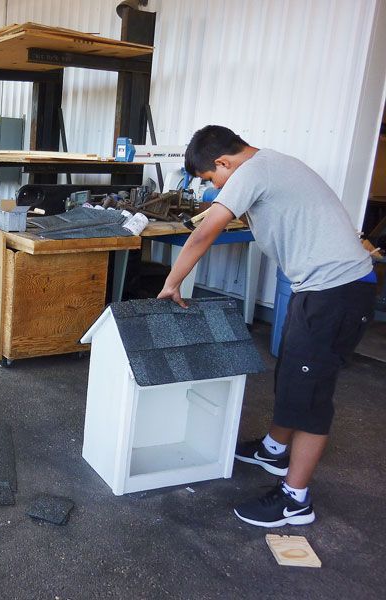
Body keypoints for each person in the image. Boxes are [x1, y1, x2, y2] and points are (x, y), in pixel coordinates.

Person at [158, 125, 376, 528]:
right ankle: (275, 448)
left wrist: (172, 284)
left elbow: (205, 232)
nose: (215, 188)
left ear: (224, 163)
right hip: (319, 288)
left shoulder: (251, 172)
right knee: (293, 370)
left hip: (337, 292)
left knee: (310, 397)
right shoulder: (272, 163)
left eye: (211, 179)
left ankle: (296, 501)